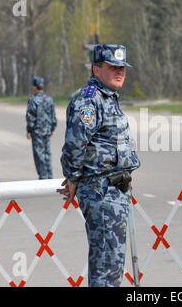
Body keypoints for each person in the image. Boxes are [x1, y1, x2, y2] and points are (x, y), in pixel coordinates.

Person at [58, 44, 140, 287]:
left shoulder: (108, 98)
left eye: (122, 67)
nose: (120, 72)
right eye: (113, 67)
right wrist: (72, 178)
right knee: (105, 267)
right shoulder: (89, 100)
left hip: (115, 191)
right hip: (101, 192)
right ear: (96, 69)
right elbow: (74, 145)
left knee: (113, 267)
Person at [26, 76, 57, 180]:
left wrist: (29, 130)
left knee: (39, 155)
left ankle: (43, 177)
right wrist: (52, 128)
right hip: (47, 130)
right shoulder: (49, 99)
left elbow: (31, 117)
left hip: (37, 131)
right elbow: (53, 115)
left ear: (35, 87)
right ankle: (49, 176)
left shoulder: (33, 100)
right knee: (47, 153)